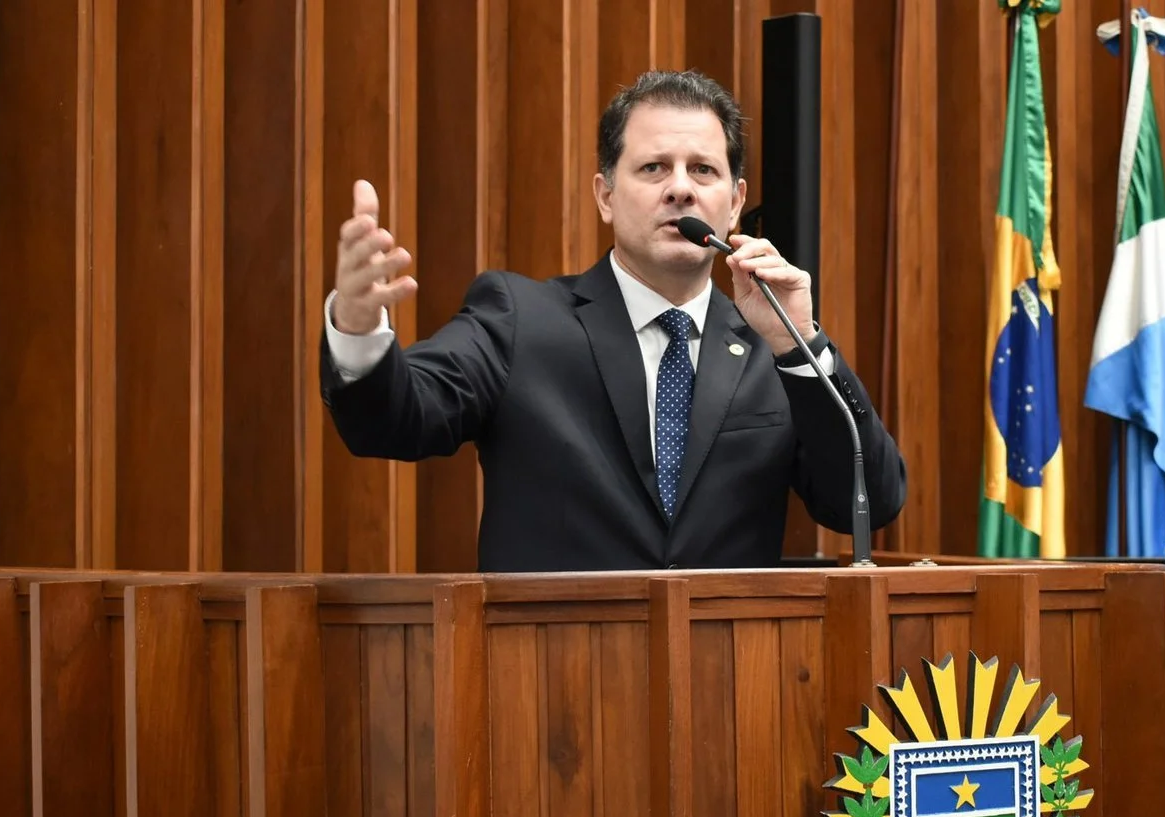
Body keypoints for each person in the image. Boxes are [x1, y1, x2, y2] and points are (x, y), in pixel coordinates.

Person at [320, 69, 906, 572]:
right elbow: (395, 422)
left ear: (734, 201)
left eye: (703, 170)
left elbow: (868, 501)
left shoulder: (771, 348)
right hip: (550, 680)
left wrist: (800, 344)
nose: (680, 188)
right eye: (653, 168)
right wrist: (358, 327)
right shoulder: (520, 319)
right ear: (605, 196)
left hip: (729, 684)